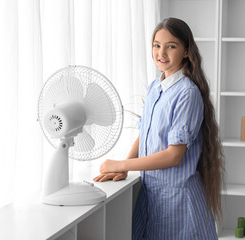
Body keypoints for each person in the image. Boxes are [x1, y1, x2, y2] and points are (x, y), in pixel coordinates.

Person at [93, 17, 224, 239]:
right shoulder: (156, 86)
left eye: (170, 46)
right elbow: (144, 133)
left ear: (185, 51)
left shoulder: (187, 93)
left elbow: (174, 156)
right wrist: (124, 166)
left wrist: (122, 163)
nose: (161, 53)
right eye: (156, 45)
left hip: (179, 203)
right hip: (153, 197)